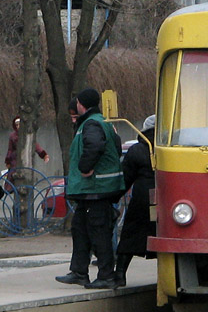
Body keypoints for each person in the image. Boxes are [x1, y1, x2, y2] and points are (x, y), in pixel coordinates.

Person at [55, 88, 126, 289]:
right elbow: (117, 147)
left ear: (81, 104)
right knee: (80, 229)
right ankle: (79, 272)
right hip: (93, 191)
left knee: (98, 232)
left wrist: (86, 168)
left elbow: (94, 146)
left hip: (96, 188)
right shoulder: (101, 122)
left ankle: (106, 275)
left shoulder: (92, 124)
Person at [114, 115, 156, 286]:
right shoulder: (172, 147)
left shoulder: (137, 150)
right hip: (170, 198)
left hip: (142, 198)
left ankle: (120, 275)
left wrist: (113, 198)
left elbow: (125, 178)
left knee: (131, 235)